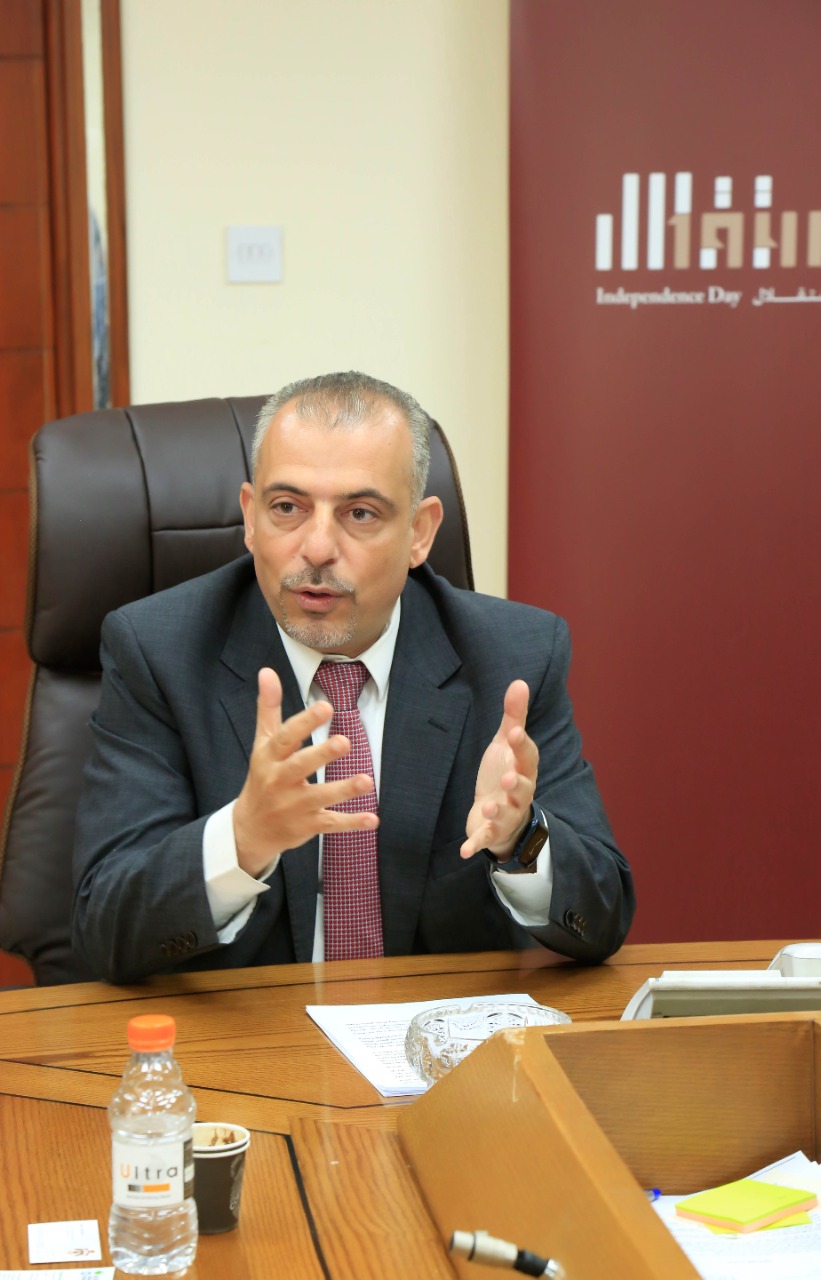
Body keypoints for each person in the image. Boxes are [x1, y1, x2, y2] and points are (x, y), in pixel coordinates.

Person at [72, 372, 634, 982]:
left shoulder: (512, 658)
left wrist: (520, 838)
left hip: (431, 1033)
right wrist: (241, 840)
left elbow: (603, 918)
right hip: (242, 1033)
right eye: (287, 508)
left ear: (419, 532)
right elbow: (104, 929)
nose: (317, 548)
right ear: (250, 517)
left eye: (359, 513)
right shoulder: (160, 651)